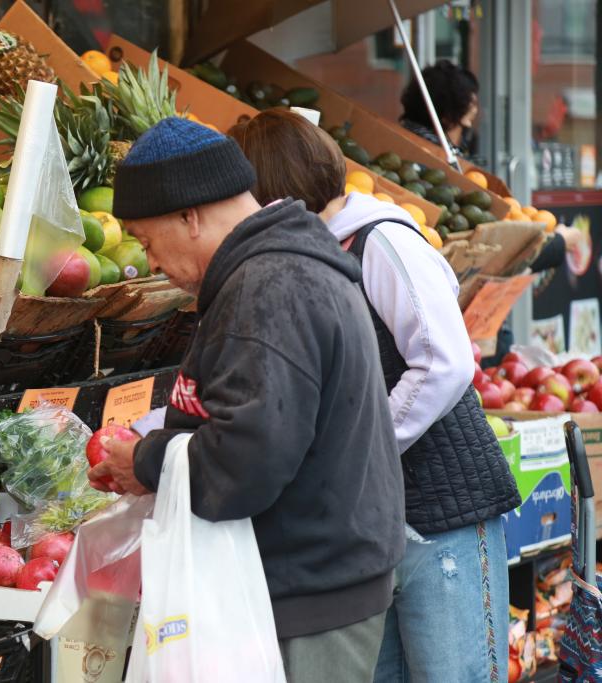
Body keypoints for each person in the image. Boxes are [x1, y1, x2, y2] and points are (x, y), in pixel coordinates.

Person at [87, 116, 405, 681]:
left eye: (147, 241)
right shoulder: (275, 270)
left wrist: (146, 462)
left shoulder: (269, 287)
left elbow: (248, 460)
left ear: (189, 216)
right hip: (309, 580)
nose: (151, 262)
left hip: (306, 597)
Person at [230, 108, 521, 683]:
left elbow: (445, 361)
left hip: (441, 513)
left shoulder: (382, 241)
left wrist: (365, 446)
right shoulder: (306, 255)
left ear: (270, 187)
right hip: (371, 527)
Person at [401, 61, 584, 364]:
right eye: (466, 122)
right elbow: (498, 247)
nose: (469, 130)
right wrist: (559, 243)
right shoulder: (442, 173)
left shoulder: (404, 150)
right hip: (456, 327)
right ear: (448, 118)